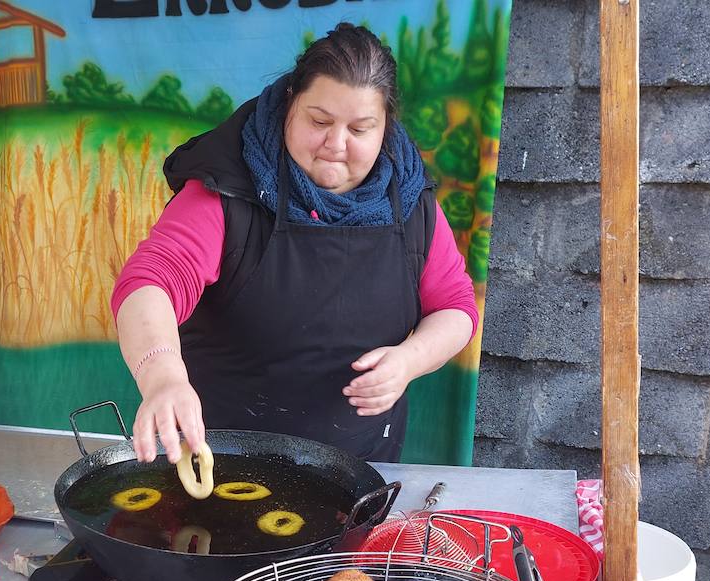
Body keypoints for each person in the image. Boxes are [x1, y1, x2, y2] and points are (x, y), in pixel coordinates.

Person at [112, 23, 479, 464]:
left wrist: (410, 360)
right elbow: (149, 282)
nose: (336, 145)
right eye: (319, 121)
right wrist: (163, 377)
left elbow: (456, 307)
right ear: (290, 102)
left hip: (359, 472)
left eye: (360, 129)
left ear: (385, 127)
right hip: (221, 458)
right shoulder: (227, 189)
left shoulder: (411, 200)